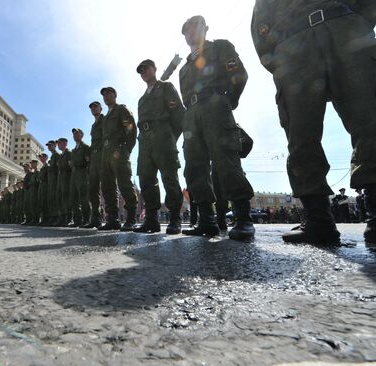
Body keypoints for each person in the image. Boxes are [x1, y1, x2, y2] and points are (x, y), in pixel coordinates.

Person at [252, 1, 376, 244]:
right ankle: (318, 218)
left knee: (370, 120)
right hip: (294, 47)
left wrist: (357, 26)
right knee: (300, 135)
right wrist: (281, 58)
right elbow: (261, 29)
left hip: (346, 31)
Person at [179, 15, 255, 240]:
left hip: (215, 105)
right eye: (186, 30)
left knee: (226, 160)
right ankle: (207, 220)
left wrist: (226, 101)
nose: (190, 32)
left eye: (194, 27)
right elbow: (185, 97)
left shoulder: (220, 47)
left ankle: (243, 218)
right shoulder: (183, 69)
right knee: (194, 166)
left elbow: (238, 75)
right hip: (191, 114)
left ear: (206, 28)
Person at [132, 59, 185, 235]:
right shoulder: (141, 99)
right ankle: (151, 220)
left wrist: (170, 138)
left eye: (146, 68)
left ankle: (175, 218)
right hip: (145, 140)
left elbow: (178, 115)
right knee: (146, 179)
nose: (143, 72)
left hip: (162, 135)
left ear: (155, 69)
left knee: (169, 177)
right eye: (140, 70)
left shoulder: (166, 87)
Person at [98, 87, 138, 231]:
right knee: (107, 186)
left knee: (124, 183)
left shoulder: (121, 109)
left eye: (109, 93)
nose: (106, 96)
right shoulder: (106, 116)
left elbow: (131, 129)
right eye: (104, 95)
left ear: (115, 95)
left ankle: (131, 217)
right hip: (106, 153)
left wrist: (127, 150)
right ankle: (113, 219)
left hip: (119, 150)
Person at [81, 102, 104, 229]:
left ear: (101, 109)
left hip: (103, 156)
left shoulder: (105, 120)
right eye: (91, 108)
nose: (93, 109)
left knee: (107, 187)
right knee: (93, 190)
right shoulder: (93, 125)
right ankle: (95, 218)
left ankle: (113, 218)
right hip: (94, 160)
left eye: (96, 107)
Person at [69, 128, 91, 227]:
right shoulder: (73, 150)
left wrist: (75, 163)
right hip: (74, 175)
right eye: (74, 134)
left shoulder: (86, 147)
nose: (75, 136)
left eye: (77, 134)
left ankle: (86, 219)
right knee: (74, 198)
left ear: (82, 135)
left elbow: (87, 161)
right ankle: (77, 220)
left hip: (82, 174)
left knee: (84, 198)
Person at [56, 138, 73, 226]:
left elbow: (70, 167)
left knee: (66, 199)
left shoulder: (69, 153)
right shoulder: (61, 155)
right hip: (61, 179)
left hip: (67, 178)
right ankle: (62, 218)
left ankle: (69, 218)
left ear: (65, 144)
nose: (58, 145)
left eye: (59, 143)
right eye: (58, 143)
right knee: (61, 199)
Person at [46, 140, 60, 226]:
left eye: (51, 145)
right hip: (52, 181)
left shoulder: (57, 155)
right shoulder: (52, 156)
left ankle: (57, 218)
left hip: (56, 180)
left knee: (55, 200)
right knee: (51, 200)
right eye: (48, 146)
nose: (49, 147)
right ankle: (53, 218)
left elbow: (58, 169)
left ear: (55, 145)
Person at [37, 153, 50, 226]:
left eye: (42, 157)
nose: (41, 159)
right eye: (40, 158)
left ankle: (46, 219)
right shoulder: (42, 167)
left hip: (45, 185)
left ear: (46, 158)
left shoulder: (47, 166)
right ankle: (43, 219)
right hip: (41, 186)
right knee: (41, 202)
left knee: (45, 202)